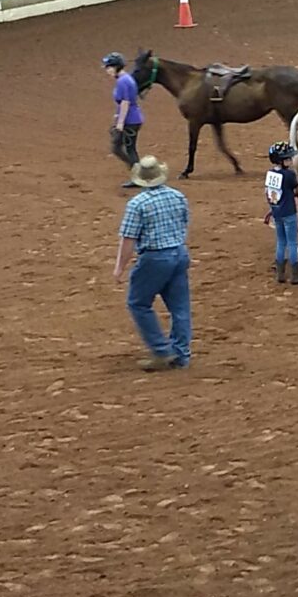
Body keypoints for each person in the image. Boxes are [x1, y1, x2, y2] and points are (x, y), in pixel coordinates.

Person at [114, 155, 192, 372]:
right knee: (180, 307)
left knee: (138, 303)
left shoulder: (137, 204)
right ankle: (181, 354)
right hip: (179, 253)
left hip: (155, 257)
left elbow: (128, 240)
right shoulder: (177, 196)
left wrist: (120, 267)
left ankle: (162, 351)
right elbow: (185, 223)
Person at [103, 51, 144, 189]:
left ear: (116, 67)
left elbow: (125, 102)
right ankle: (138, 173)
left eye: (108, 67)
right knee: (124, 148)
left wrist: (120, 123)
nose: (107, 70)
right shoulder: (126, 79)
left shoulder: (123, 81)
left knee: (124, 148)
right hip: (132, 119)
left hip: (130, 121)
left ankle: (138, 174)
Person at [266, 141, 298, 285]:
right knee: (293, 243)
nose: (290, 160)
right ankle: (295, 275)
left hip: (277, 212)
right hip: (289, 212)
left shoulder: (270, 174)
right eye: (288, 158)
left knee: (281, 242)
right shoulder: (289, 174)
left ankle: (280, 274)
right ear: (281, 160)